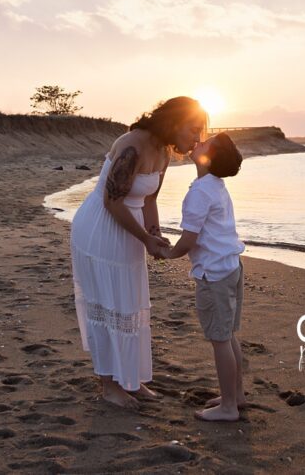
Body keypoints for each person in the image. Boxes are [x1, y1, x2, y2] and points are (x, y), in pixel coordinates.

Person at [69, 96, 207, 409]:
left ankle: (132, 379)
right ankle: (109, 385)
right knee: (107, 304)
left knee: (129, 304)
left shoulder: (164, 152)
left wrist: (155, 234)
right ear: (174, 123)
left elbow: (149, 200)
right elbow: (112, 201)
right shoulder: (133, 145)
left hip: (131, 231)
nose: (197, 138)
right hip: (101, 230)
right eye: (194, 129)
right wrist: (145, 238)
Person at [155, 132, 246, 421]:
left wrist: (169, 255)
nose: (199, 142)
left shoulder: (200, 191)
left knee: (220, 339)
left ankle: (229, 407)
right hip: (230, 266)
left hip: (215, 274)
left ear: (210, 158)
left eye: (206, 144)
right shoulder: (214, 186)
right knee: (228, 335)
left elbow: (190, 238)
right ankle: (236, 395)